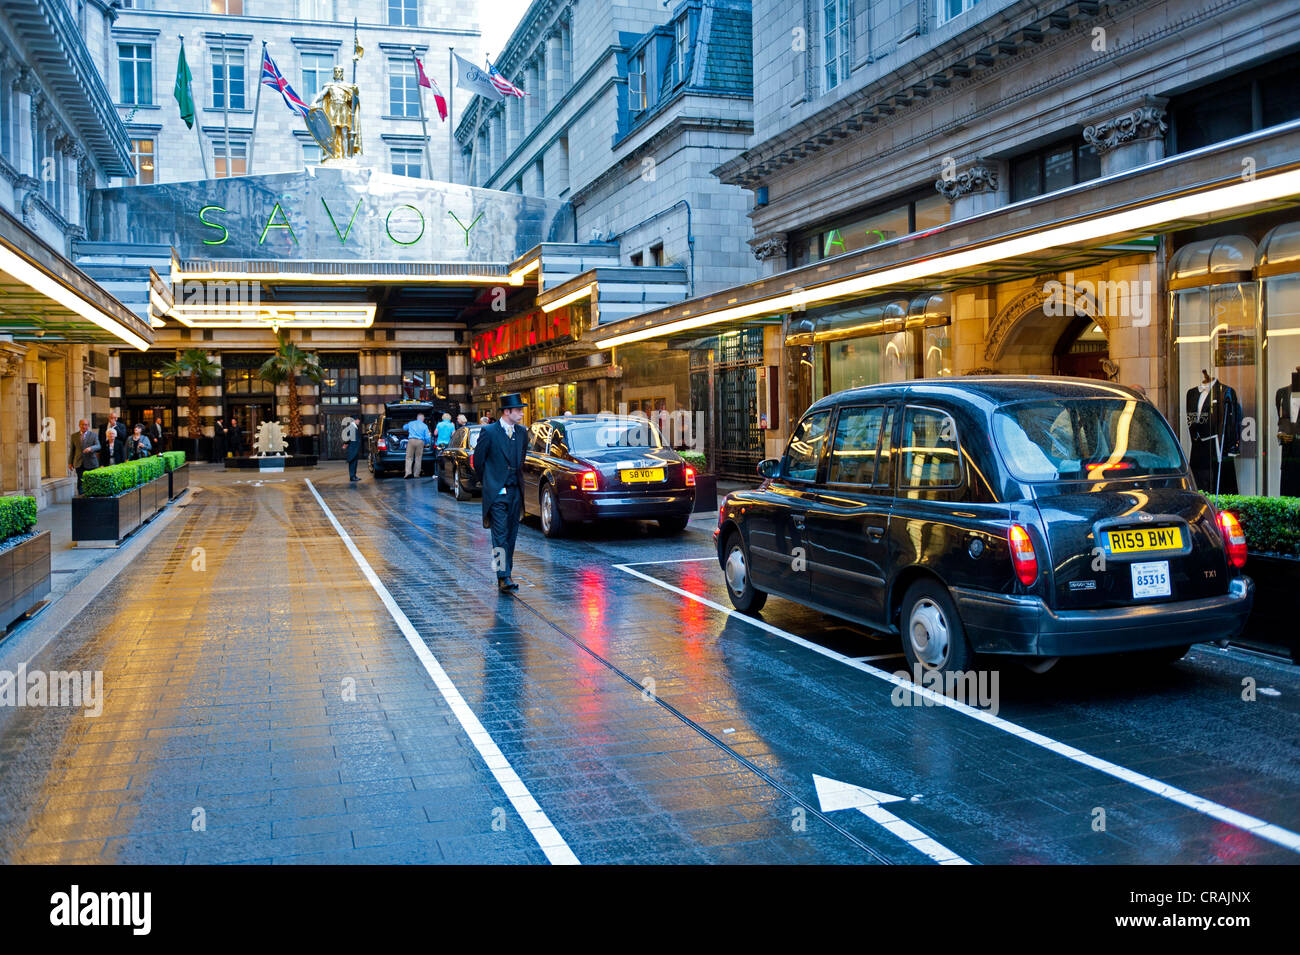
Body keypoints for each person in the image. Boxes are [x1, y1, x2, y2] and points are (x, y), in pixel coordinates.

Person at [472, 393, 528, 593]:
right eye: (518, 410)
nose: (522, 413)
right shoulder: (489, 432)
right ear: (507, 411)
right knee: (500, 536)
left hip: (515, 491)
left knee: (511, 535)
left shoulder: (522, 432)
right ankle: (502, 576)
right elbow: (478, 461)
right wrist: (489, 482)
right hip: (496, 492)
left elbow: (521, 459)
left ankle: (507, 572)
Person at [67, 419, 100, 493]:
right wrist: (70, 462)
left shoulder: (93, 435)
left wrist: (91, 448)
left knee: (91, 481)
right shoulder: (74, 436)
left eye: (86, 425)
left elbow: (98, 446)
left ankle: (90, 496)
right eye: (82, 424)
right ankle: (81, 497)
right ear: (79, 425)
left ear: (88, 426)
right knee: (80, 481)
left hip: (91, 462)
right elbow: (72, 450)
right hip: (79, 462)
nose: (84, 426)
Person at [403, 412, 432, 478]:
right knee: (418, 458)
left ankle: (408, 473)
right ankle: (416, 474)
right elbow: (427, 437)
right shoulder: (424, 426)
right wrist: (426, 443)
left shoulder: (411, 423)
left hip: (411, 440)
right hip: (420, 442)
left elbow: (404, 428)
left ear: (417, 418)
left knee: (409, 457)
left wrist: (406, 425)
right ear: (423, 419)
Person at [341, 415, 361, 482]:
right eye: (358, 420)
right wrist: (345, 444)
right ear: (355, 420)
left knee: (354, 462)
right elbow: (348, 437)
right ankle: (352, 477)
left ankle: (354, 476)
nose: (359, 421)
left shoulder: (354, 427)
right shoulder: (352, 427)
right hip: (353, 448)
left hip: (355, 448)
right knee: (352, 462)